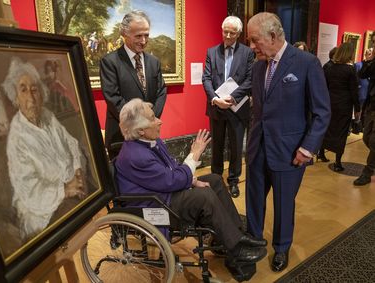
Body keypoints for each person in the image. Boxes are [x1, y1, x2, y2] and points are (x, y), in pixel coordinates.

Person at [115, 98, 267, 281]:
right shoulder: (136, 156)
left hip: (164, 192)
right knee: (204, 196)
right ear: (140, 130)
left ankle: (232, 237)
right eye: (153, 118)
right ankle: (236, 248)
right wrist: (194, 156)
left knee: (215, 180)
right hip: (155, 205)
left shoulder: (149, 141)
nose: (159, 121)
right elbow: (171, 180)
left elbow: (171, 171)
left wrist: (192, 180)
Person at [245, 12, 331, 272]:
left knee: (283, 204)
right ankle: (253, 240)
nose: (250, 46)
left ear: (273, 36)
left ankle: (281, 248)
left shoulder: (306, 63)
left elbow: (322, 112)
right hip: (258, 147)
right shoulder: (258, 65)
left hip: (289, 151)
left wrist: (307, 148)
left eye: (254, 40)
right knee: (254, 199)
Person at [2, 57, 87, 240]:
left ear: (41, 93)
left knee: (87, 210)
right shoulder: (17, 139)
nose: (31, 97)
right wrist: (64, 190)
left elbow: (71, 143)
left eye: (34, 89)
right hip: (42, 214)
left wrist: (77, 171)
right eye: (23, 90)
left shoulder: (47, 116)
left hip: (71, 191)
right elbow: (30, 192)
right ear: (15, 98)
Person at [100, 10, 167, 159]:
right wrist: (140, 123)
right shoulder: (110, 62)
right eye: (138, 36)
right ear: (124, 34)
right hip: (121, 137)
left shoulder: (153, 62)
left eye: (146, 35)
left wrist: (150, 120)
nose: (143, 41)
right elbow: (113, 98)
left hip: (149, 135)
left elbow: (161, 91)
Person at [202, 16, 254, 198]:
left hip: (237, 108)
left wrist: (232, 97)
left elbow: (249, 80)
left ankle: (233, 180)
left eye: (232, 32)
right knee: (216, 145)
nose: (228, 35)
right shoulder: (212, 52)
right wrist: (215, 99)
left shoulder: (247, 53)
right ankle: (216, 179)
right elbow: (206, 78)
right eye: (225, 31)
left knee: (236, 146)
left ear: (239, 34)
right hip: (216, 108)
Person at [317, 43, 360, 170]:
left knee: (327, 128)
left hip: (329, 102)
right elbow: (354, 92)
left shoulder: (330, 67)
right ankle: (337, 163)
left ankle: (321, 153)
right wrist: (357, 109)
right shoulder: (350, 70)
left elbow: (324, 87)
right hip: (344, 105)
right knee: (340, 132)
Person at [354, 33, 375, 186]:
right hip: (371, 105)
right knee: (366, 138)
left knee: (374, 141)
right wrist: (369, 59)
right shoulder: (373, 61)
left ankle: (367, 173)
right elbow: (362, 74)